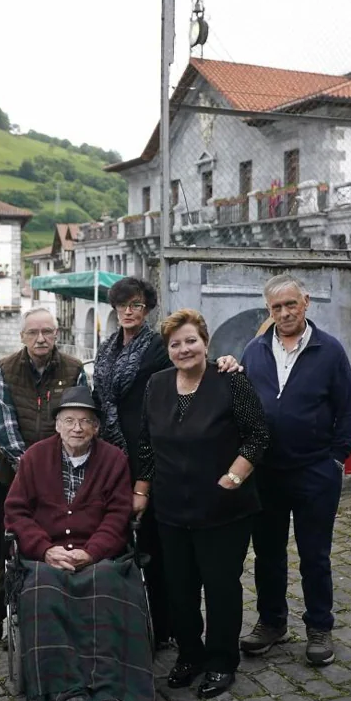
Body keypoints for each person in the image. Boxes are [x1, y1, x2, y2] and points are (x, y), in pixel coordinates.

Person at [92, 276, 240, 650]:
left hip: (152, 453)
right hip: (112, 454)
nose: (129, 310)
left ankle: (163, 627)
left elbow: (193, 364)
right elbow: (99, 397)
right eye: (123, 304)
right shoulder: (107, 347)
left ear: (148, 308)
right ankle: (123, 620)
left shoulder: (159, 346)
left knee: (157, 550)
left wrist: (226, 361)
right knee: (118, 543)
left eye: (137, 304)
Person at [134, 309, 269, 698]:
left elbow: (257, 436)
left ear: (206, 343)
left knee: (221, 587)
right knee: (180, 588)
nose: (183, 349)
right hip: (172, 508)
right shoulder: (156, 385)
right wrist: (141, 492)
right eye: (175, 344)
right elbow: (145, 442)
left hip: (224, 508)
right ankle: (189, 656)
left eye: (191, 340)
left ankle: (222, 661)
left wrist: (234, 477)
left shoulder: (229, 380)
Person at [3, 386, 155, 701]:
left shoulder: (114, 459)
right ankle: (63, 690)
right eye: (69, 420)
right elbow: (16, 512)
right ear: (56, 424)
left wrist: (92, 552)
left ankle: (108, 689)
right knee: (42, 588)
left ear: (97, 427)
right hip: (46, 555)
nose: (77, 428)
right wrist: (45, 549)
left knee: (106, 583)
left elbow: (118, 515)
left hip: (99, 554)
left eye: (86, 421)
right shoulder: (34, 458)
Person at [239, 274, 351, 667]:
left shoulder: (329, 350)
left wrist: (336, 459)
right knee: (268, 554)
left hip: (315, 472)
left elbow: (348, 410)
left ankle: (319, 627)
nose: (285, 312)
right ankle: (272, 623)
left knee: (315, 555)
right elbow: (242, 406)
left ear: (305, 302)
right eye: (277, 307)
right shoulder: (255, 350)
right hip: (267, 473)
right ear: (268, 310)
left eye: (291, 304)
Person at [0, 308, 87, 645]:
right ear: (22, 336)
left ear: (57, 334)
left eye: (47, 332)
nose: (41, 339)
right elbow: (5, 425)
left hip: (61, 480)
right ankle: (4, 604)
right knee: (10, 551)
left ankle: (4, 602)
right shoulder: (6, 368)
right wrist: (35, 470)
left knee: (54, 546)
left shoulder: (74, 369)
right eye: (33, 332)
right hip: (13, 479)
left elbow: (78, 419)